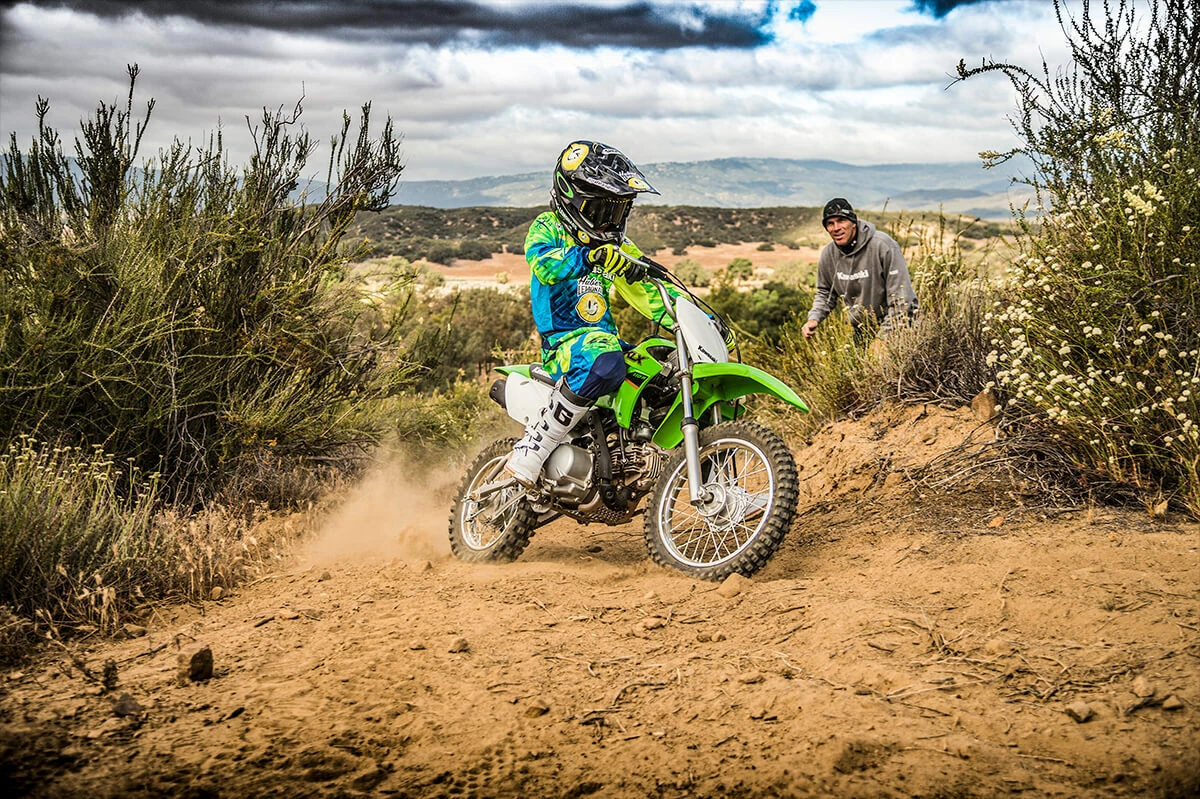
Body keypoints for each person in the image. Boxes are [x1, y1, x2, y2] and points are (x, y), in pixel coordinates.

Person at [504, 140, 679, 486]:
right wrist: (588, 257)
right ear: (572, 199)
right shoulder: (548, 226)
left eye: (617, 211)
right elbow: (544, 265)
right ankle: (535, 446)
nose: (609, 221)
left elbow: (651, 293)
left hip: (602, 340)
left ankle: (630, 456)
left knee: (663, 365)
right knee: (604, 358)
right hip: (565, 344)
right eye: (600, 210)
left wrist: (693, 319)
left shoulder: (615, 247)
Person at [801, 197, 917, 342]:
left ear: (853, 223)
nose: (836, 228)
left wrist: (884, 339)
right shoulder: (828, 254)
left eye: (841, 221)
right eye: (830, 224)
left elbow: (903, 298)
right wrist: (814, 318)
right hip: (863, 329)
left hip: (898, 326)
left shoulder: (883, 245)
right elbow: (825, 292)